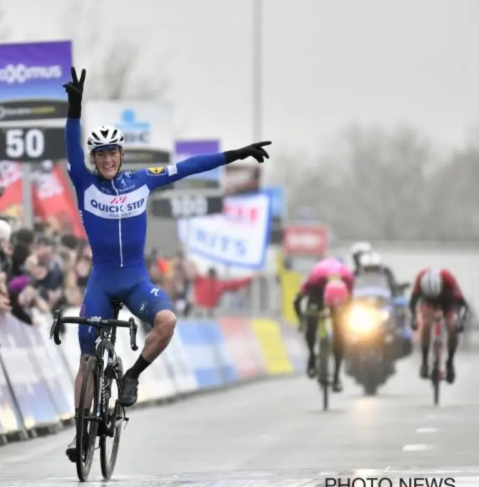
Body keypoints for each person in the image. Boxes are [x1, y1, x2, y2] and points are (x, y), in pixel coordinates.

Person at [61, 66, 271, 461]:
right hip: (102, 281)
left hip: (136, 279)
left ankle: (131, 377)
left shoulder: (144, 180)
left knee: (167, 322)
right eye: (100, 154)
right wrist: (74, 109)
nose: (106, 159)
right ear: (94, 159)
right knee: (87, 359)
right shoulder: (85, 183)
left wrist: (235, 155)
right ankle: (79, 432)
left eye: (112, 153)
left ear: (122, 155)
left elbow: (189, 166)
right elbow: (72, 149)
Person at [294, 257, 354, 392]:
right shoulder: (314, 280)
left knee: (340, 335)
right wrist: (302, 320)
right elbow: (297, 301)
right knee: (311, 323)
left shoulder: (348, 279)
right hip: (317, 294)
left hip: (339, 298)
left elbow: (351, 303)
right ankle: (311, 357)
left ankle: (337, 377)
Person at [409, 268, 468, 384]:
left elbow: (463, 304)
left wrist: (461, 320)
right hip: (427, 301)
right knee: (426, 323)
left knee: (452, 326)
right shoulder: (420, 279)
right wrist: (414, 318)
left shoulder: (449, 280)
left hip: (447, 299)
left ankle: (450, 363)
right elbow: (413, 302)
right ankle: (425, 362)